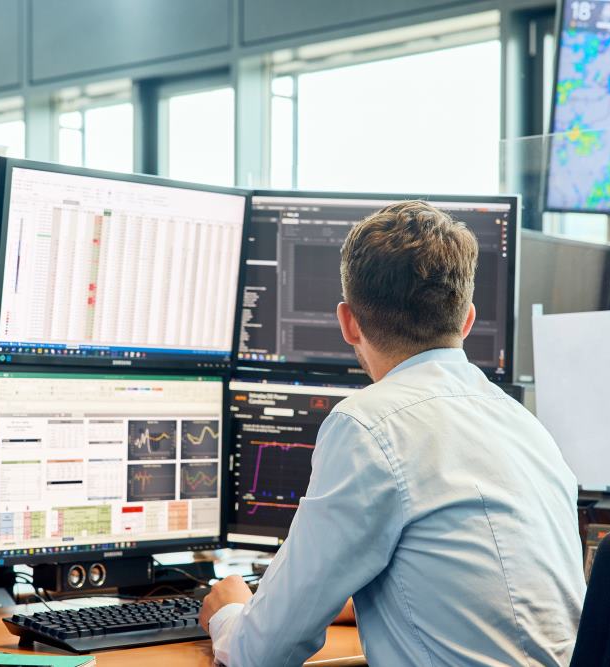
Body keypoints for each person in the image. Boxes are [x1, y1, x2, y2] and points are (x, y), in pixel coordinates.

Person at [199, 201, 585, 666]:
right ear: (466, 320)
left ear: (348, 322)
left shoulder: (367, 425)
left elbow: (261, 652)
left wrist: (230, 611)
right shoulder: (525, 425)